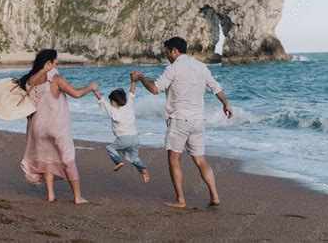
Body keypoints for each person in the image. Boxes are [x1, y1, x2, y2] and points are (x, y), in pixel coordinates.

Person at [132, 36, 233, 208]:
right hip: (198, 120)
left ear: (174, 51)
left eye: (167, 52)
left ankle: (180, 200)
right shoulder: (201, 67)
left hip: (179, 120)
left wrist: (141, 77)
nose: (166, 56)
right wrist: (226, 104)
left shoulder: (173, 68)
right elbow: (216, 88)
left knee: (174, 159)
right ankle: (214, 196)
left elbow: (155, 89)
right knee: (200, 160)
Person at [17, 49, 97, 204]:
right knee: (68, 158)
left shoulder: (28, 81)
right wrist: (91, 87)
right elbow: (76, 93)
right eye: (55, 62)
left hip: (37, 128)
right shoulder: (55, 78)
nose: (57, 65)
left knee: (47, 160)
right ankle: (77, 197)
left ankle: (50, 195)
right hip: (56, 126)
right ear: (48, 63)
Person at [92, 75, 150, 183]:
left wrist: (95, 92)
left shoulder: (113, 111)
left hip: (124, 139)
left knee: (110, 148)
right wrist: (133, 81)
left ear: (114, 101)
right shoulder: (129, 106)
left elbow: (102, 101)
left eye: (110, 101)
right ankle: (143, 170)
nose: (109, 103)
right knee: (133, 158)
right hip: (135, 139)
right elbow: (131, 94)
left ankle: (118, 162)